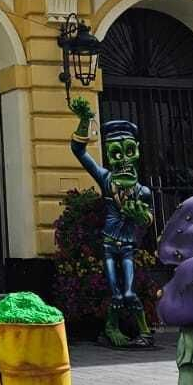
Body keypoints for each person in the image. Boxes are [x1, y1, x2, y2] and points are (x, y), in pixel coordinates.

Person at [70, 96, 155, 347]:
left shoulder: (142, 191)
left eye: (129, 151)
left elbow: (148, 219)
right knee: (116, 293)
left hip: (127, 246)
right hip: (108, 244)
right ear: (109, 154)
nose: (124, 160)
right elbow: (79, 151)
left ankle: (144, 333)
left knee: (129, 292)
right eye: (116, 153)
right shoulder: (107, 180)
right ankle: (111, 329)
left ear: (137, 150)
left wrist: (142, 217)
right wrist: (85, 121)